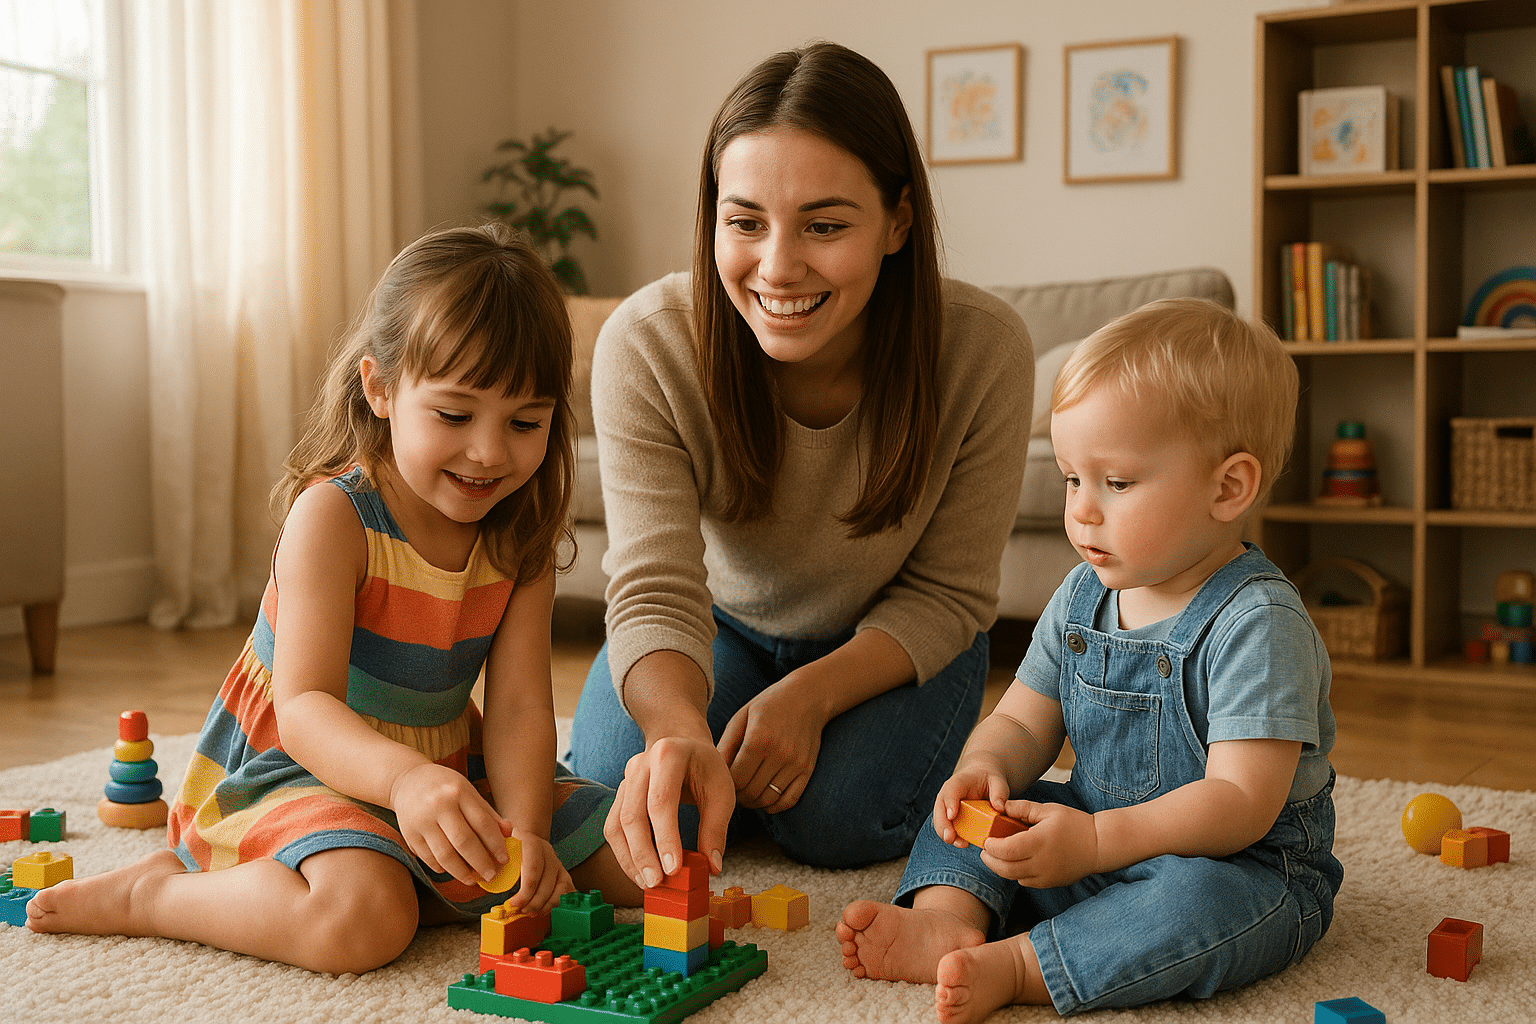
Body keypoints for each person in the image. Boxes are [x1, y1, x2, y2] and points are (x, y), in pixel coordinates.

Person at [29, 224, 640, 973]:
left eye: (525, 423)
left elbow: (516, 709)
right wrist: (404, 780)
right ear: (380, 390)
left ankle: (416, 873)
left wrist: (528, 835)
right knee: (364, 922)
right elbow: (305, 708)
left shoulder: (520, 534)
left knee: (640, 860)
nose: (488, 452)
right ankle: (155, 896)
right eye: (454, 415)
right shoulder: (334, 517)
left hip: (442, 769)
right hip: (298, 766)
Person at [564, 40, 1033, 890]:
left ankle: (777, 775)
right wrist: (677, 730)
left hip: (889, 636)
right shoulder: (647, 343)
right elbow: (655, 586)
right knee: (615, 805)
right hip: (721, 627)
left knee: (836, 821)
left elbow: (950, 594)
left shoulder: (984, 350)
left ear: (898, 221)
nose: (777, 267)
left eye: (825, 225)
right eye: (745, 222)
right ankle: (730, 769)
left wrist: (810, 698)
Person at [837, 297, 1344, 1020]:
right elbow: (1023, 720)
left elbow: (1239, 804)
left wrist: (1101, 841)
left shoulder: (1258, 623)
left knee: (1195, 903)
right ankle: (948, 918)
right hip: (1090, 840)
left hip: (1245, 867)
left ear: (1228, 487)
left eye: (1118, 483)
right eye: (1074, 478)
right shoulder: (1082, 595)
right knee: (978, 808)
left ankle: (1024, 965)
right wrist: (986, 765)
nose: (1082, 509)